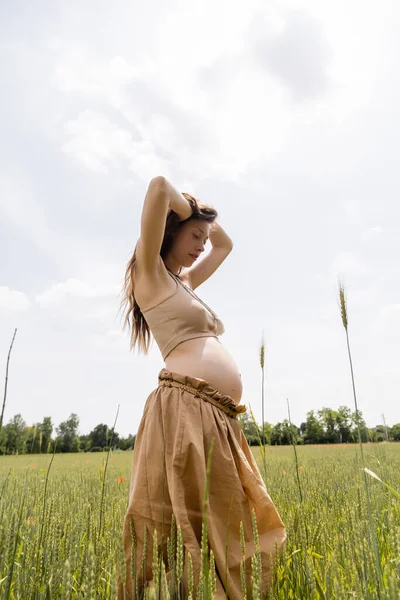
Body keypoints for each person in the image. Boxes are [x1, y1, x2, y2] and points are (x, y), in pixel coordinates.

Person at [117, 176, 286, 599]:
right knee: (180, 523)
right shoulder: (151, 274)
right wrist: (187, 207)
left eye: (202, 238)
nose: (201, 245)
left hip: (217, 416)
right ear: (171, 230)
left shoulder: (185, 282)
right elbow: (158, 187)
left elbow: (226, 245)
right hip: (184, 407)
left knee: (228, 524)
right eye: (194, 236)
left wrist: (204, 219)